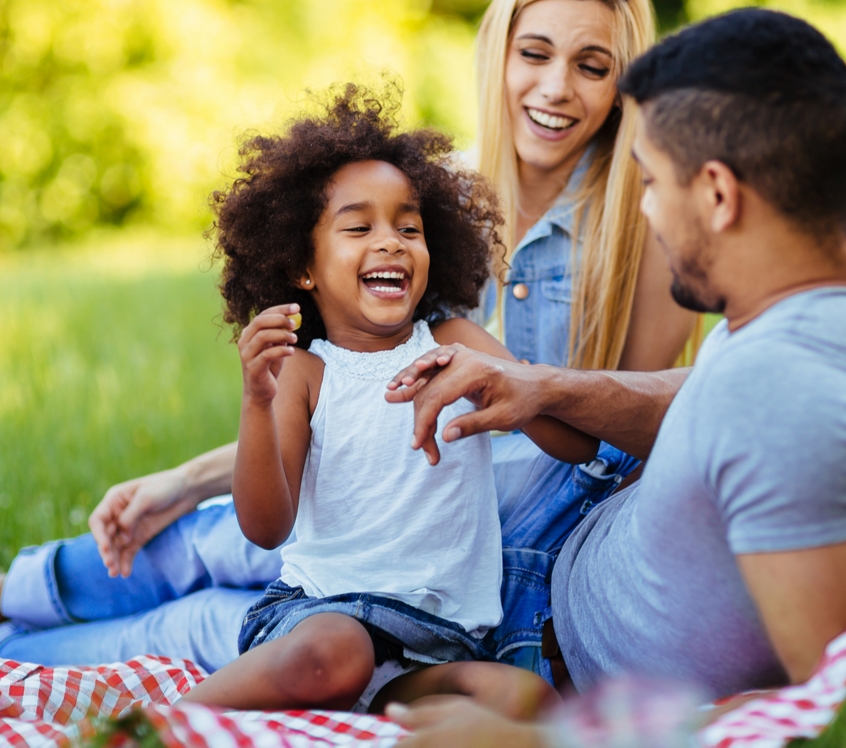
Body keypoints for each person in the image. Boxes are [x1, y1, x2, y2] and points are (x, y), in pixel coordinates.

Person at [0, 0, 697, 666]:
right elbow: (327, 389)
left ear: (627, 80)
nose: (556, 88)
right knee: (220, 534)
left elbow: (614, 435)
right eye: (534, 53)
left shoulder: (645, 229)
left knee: (217, 601)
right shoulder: (423, 195)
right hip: (356, 478)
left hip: (489, 529)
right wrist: (187, 479)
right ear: (496, 54)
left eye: (593, 64)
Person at [381, 8, 846, 743]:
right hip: (570, 527)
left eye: (651, 182)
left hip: (535, 638)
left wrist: (549, 737)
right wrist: (546, 386)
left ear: (718, 194)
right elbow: (706, 398)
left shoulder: (793, 406)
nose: (645, 211)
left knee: (249, 621)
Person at [173, 87, 591, 715]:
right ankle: (160, 722)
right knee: (340, 654)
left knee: (524, 696)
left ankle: (369, 715)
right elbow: (265, 528)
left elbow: (577, 444)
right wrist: (257, 403)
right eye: (359, 226)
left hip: (441, 646)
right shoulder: (306, 374)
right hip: (319, 619)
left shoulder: (458, 344)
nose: (392, 241)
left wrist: (518, 392)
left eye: (409, 227)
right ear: (302, 266)